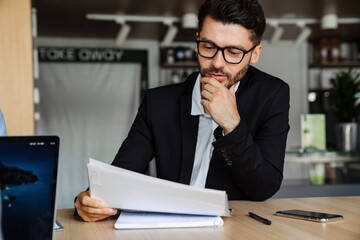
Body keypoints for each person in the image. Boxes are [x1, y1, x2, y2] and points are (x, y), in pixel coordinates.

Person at [75, 0, 290, 222]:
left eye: (233, 52)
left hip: (236, 228)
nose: (217, 62)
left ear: (255, 54)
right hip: (169, 226)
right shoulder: (158, 102)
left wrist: (232, 124)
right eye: (208, 47)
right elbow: (120, 175)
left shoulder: (272, 95)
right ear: (197, 41)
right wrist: (88, 202)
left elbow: (264, 187)